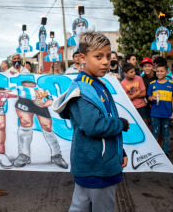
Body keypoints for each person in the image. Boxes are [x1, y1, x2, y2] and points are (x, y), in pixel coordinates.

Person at [53, 31, 129, 212]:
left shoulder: (97, 84)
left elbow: (105, 119)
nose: (105, 61)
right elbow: (94, 126)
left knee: (80, 207)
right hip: (97, 168)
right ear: (81, 57)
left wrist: (120, 151)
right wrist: (122, 124)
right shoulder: (83, 89)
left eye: (108, 56)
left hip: (95, 164)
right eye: (98, 56)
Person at [13, 80, 68, 169]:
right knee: (25, 123)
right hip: (24, 102)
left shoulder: (42, 89)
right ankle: (24, 155)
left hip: (40, 104)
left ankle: (56, 155)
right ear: (24, 84)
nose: (29, 84)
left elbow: (50, 100)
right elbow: (9, 91)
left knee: (47, 126)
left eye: (31, 83)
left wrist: (46, 103)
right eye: (27, 83)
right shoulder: (19, 88)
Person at [147, 63, 173, 155]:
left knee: (166, 134)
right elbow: (148, 98)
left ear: (167, 72)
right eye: (157, 71)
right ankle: (155, 153)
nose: (159, 73)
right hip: (155, 114)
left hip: (167, 114)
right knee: (155, 133)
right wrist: (151, 98)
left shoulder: (171, 84)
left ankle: (165, 153)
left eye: (162, 71)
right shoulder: (152, 84)